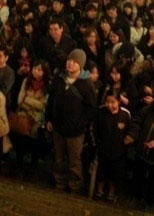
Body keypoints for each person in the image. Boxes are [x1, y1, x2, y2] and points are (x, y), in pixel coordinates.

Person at [45, 48, 97, 193]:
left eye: (74, 62)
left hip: (75, 131)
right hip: (58, 127)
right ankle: (59, 183)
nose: (70, 64)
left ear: (80, 65)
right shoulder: (59, 79)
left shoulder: (86, 85)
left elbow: (92, 108)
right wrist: (48, 118)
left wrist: (80, 123)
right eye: (69, 60)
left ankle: (74, 186)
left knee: (75, 161)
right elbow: (51, 100)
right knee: (59, 158)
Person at [92, 87, 131, 203]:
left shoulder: (125, 114)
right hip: (103, 149)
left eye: (113, 102)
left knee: (115, 174)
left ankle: (111, 193)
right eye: (107, 102)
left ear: (118, 101)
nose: (110, 105)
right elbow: (94, 129)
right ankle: (99, 191)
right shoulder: (100, 112)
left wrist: (126, 144)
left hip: (119, 152)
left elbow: (130, 131)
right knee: (102, 172)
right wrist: (97, 144)